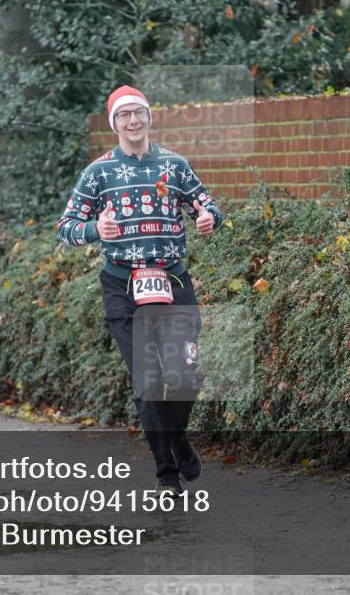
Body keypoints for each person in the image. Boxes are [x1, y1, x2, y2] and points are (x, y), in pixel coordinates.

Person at [56, 85, 225, 497]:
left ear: (150, 117)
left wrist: (208, 219)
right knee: (148, 382)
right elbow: (66, 228)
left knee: (184, 377)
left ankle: (177, 437)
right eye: (124, 115)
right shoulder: (98, 173)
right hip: (122, 287)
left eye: (139, 113)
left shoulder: (175, 165)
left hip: (174, 282)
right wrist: (97, 228)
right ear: (114, 123)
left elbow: (209, 207)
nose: (133, 121)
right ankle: (166, 473)